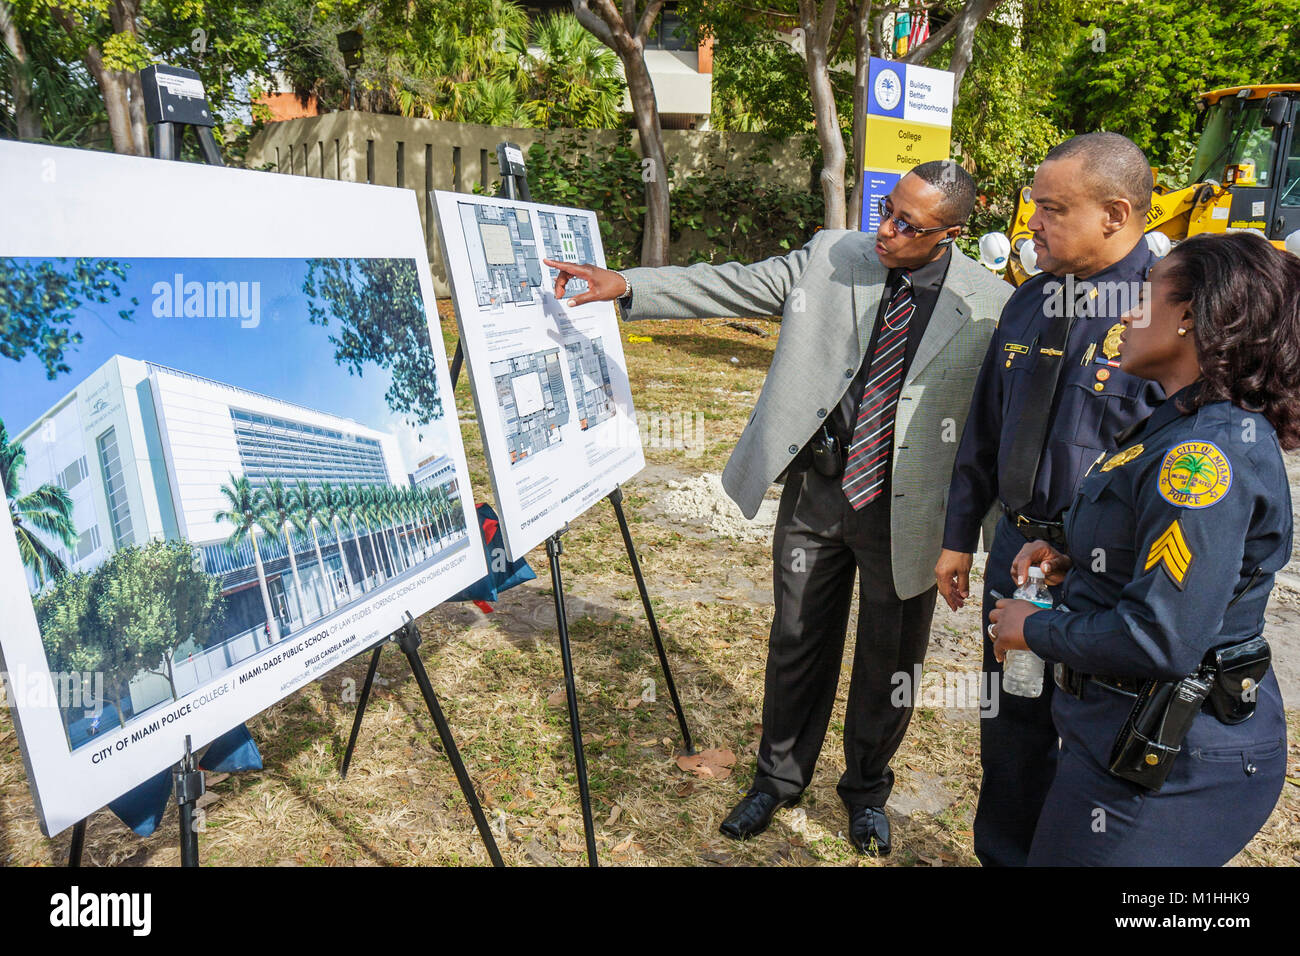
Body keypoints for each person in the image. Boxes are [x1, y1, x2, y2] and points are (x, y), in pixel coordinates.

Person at [547, 161, 1011, 854]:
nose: (885, 230)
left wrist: (979, 538)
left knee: (892, 662)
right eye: (886, 210)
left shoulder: (989, 303)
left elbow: (995, 431)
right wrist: (629, 285)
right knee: (797, 639)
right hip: (819, 493)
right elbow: (734, 281)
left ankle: (864, 791)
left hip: (909, 513)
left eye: (907, 225)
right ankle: (777, 779)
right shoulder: (833, 256)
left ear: (950, 234)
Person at [988, 232, 1297, 865]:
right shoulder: (1176, 422)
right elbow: (1153, 549)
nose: (1127, 312)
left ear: (1192, 316)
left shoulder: (1202, 457)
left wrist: (1036, 629)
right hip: (1124, 743)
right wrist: (1075, 558)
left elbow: (1162, 638)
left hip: (1169, 767)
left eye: (1147, 297)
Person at [935, 132, 1165, 866]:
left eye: (1052, 208)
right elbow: (985, 429)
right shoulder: (1031, 300)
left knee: (1093, 740)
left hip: (1104, 574)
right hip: (1018, 552)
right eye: (1035, 205)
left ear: (1115, 213)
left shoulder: (1166, 313)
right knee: (1011, 729)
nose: (1033, 222)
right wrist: (958, 536)